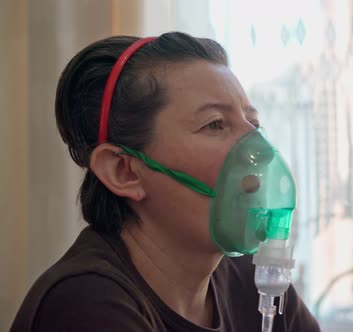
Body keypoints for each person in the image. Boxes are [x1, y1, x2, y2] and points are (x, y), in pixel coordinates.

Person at [10, 31, 320, 332]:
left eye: (254, 123)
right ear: (124, 171)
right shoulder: (84, 304)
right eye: (215, 124)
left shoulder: (252, 282)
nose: (261, 151)